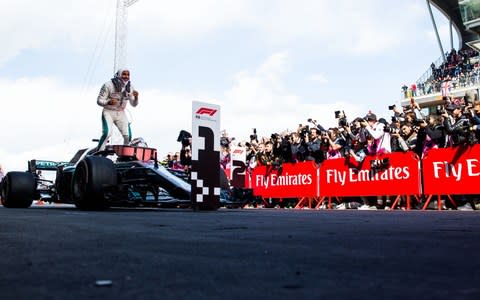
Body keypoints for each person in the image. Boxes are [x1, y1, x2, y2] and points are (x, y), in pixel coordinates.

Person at [96, 69, 139, 151]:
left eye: (128, 74)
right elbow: (99, 101)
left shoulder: (130, 87)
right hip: (108, 112)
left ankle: (124, 155)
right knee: (107, 133)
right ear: (119, 75)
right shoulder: (108, 85)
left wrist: (136, 97)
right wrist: (108, 102)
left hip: (121, 112)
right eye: (124, 74)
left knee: (128, 136)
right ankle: (99, 152)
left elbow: (134, 104)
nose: (126, 76)